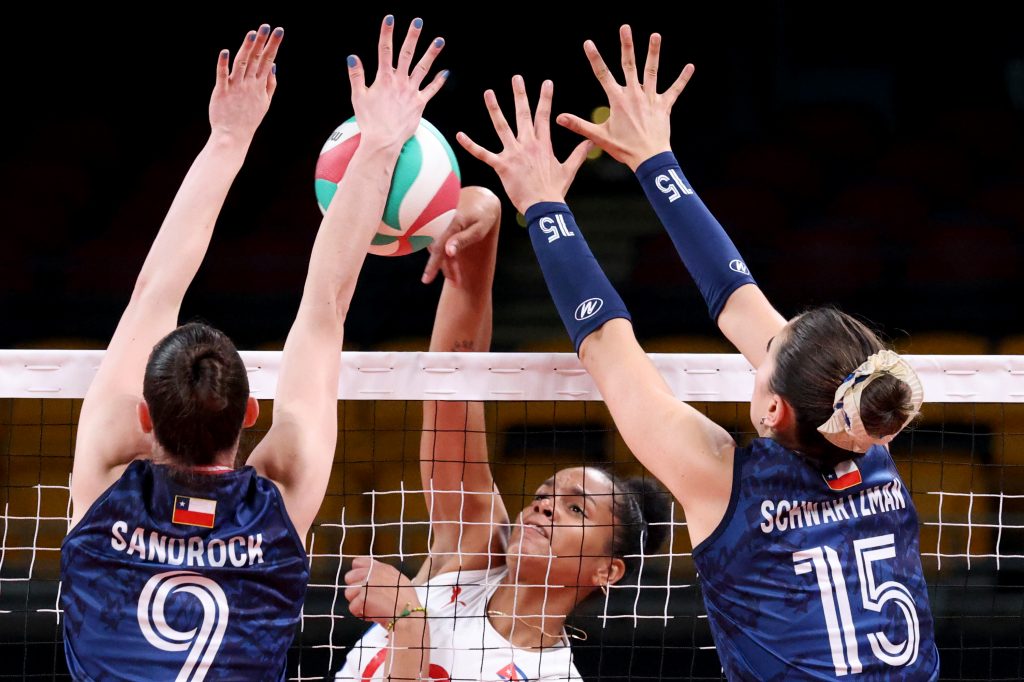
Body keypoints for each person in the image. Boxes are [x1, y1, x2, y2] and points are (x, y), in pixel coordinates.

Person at [456, 25, 940, 681]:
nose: (762, 337)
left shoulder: (723, 479)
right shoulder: (868, 435)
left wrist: (543, 205)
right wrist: (653, 159)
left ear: (773, 409)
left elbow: (610, 345)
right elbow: (737, 302)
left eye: (768, 352)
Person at [60, 16, 448, 680]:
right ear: (249, 413)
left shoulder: (106, 482)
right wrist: (382, 146)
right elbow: (325, 311)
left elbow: (154, 291)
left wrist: (227, 138)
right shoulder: (279, 497)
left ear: (144, 417)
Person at [336, 187, 672, 681]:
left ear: (607, 570)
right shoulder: (472, 555)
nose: (544, 508)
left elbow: (410, 634)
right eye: (542, 496)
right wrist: (482, 221)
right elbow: (453, 379)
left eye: (576, 509)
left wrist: (409, 622)